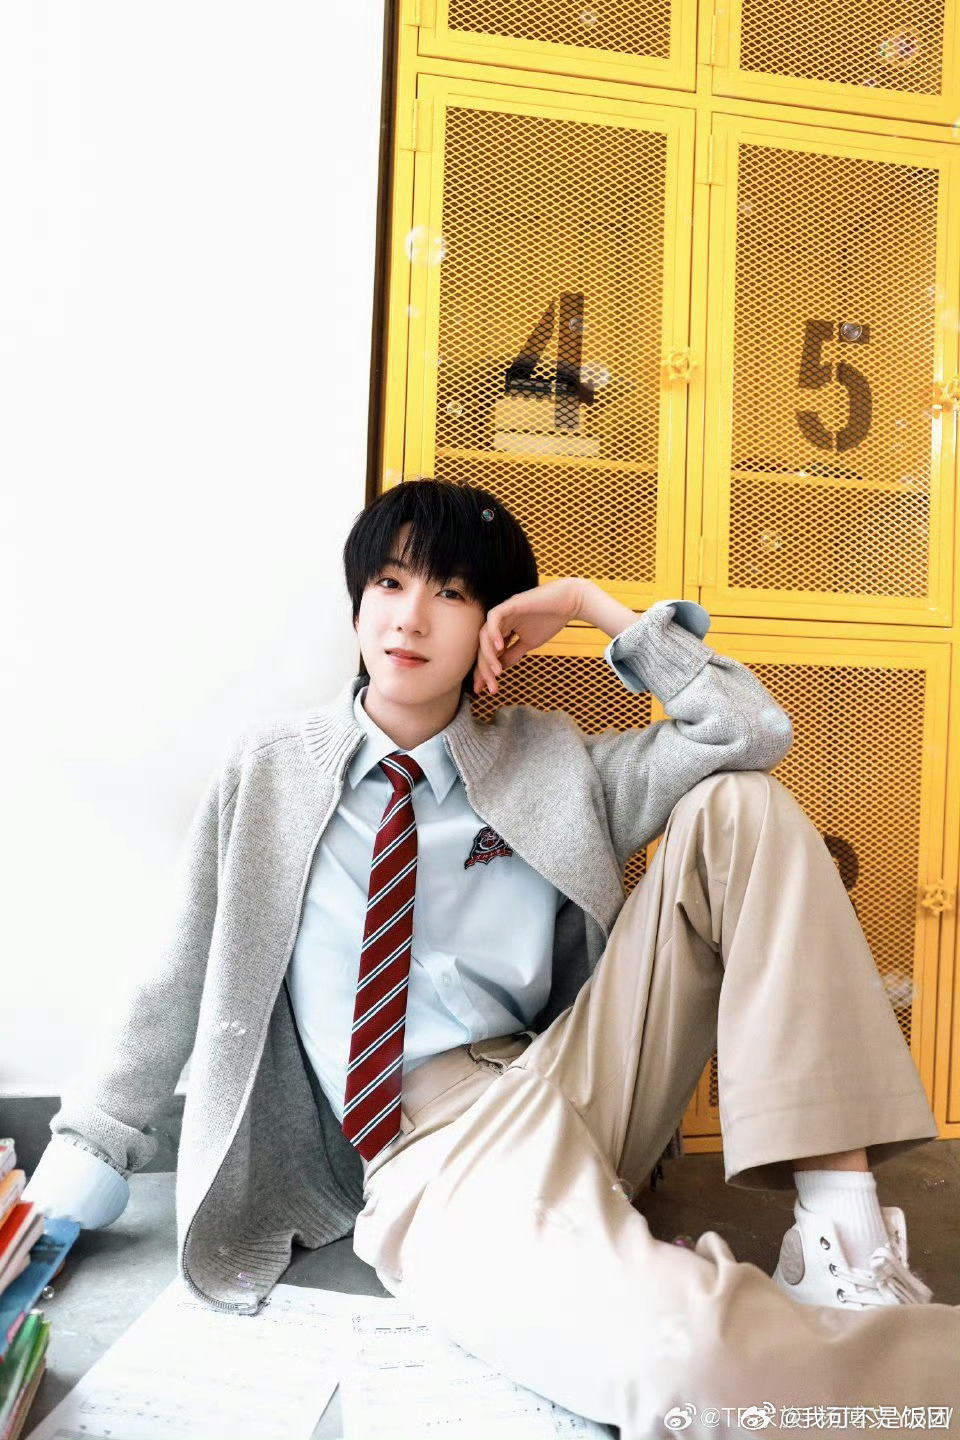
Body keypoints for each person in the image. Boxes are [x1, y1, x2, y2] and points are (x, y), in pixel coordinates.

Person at [25, 479, 958, 1437]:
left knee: (741, 803)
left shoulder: (548, 758)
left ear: (492, 628)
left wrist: (593, 607)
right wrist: (92, 1142)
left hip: (578, 1074)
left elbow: (750, 733)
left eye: (453, 593)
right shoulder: (272, 769)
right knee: (695, 1367)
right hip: (435, 1143)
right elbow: (178, 965)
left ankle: (843, 1239)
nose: (411, 617)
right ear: (358, 602)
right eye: (391, 584)